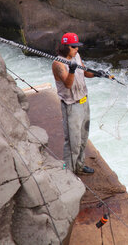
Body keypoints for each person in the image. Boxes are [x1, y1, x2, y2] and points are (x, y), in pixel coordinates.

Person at [52, 32, 102, 174]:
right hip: (71, 106)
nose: (76, 49)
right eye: (74, 47)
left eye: (77, 47)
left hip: (84, 102)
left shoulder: (76, 57)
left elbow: (85, 72)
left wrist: (96, 73)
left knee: (83, 138)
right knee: (73, 142)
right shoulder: (58, 64)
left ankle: (79, 166)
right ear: (65, 46)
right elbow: (68, 84)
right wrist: (72, 70)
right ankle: (68, 172)